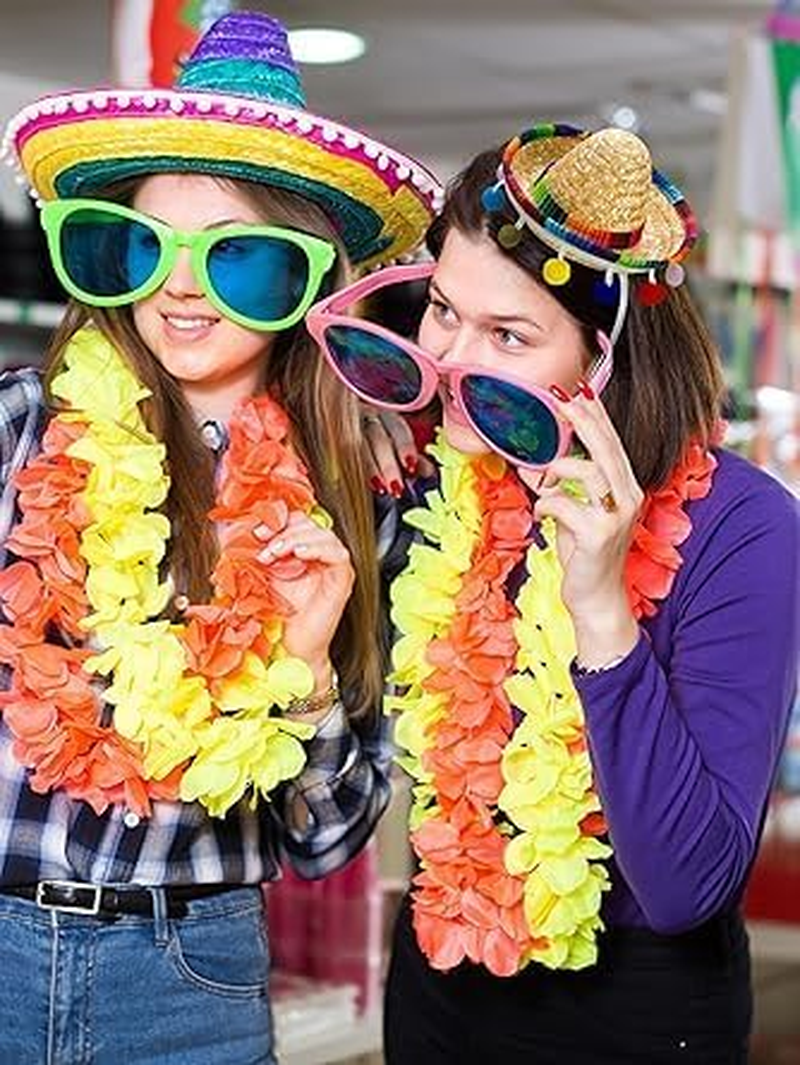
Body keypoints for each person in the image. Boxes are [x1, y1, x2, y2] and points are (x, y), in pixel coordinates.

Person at [306, 122, 800, 1063]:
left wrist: (603, 608)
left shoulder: (747, 528)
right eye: (444, 311)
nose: (451, 362)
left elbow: (688, 884)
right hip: (439, 991)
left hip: (638, 1017)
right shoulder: (443, 489)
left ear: (606, 358)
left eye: (510, 334)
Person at [0, 10, 441, 1064]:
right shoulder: (19, 427)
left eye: (237, 257)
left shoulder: (363, 496)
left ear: (304, 282)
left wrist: (303, 670)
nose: (181, 286)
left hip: (186, 977)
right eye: (143, 246)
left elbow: (330, 841)